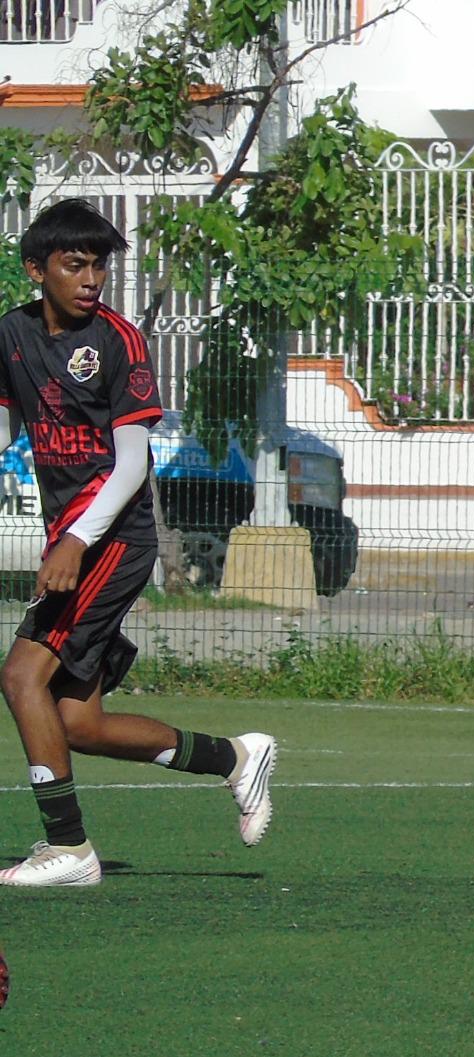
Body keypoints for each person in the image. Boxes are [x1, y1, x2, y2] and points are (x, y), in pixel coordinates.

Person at [0, 198, 277, 887]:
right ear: (37, 269)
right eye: (74, 263)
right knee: (79, 724)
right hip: (74, 541)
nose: (91, 276)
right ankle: (235, 758)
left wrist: (74, 539)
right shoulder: (11, 335)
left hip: (113, 540)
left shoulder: (120, 341)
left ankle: (70, 849)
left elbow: (130, 466)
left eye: (99, 263)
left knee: (19, 676)